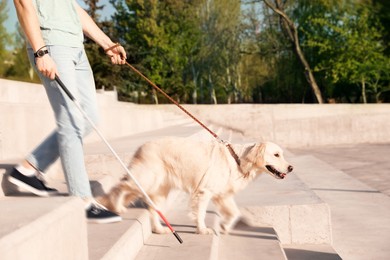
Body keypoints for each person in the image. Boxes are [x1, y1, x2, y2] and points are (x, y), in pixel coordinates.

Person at [9, 0, 127, 223]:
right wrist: (40, 50)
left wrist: (107, 43)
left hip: (75, 46)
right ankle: (80, 200)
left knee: (88, 117)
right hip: (52, 45)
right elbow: (23, 4)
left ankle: (28, 168)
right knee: (71, 122)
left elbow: (72, 8)